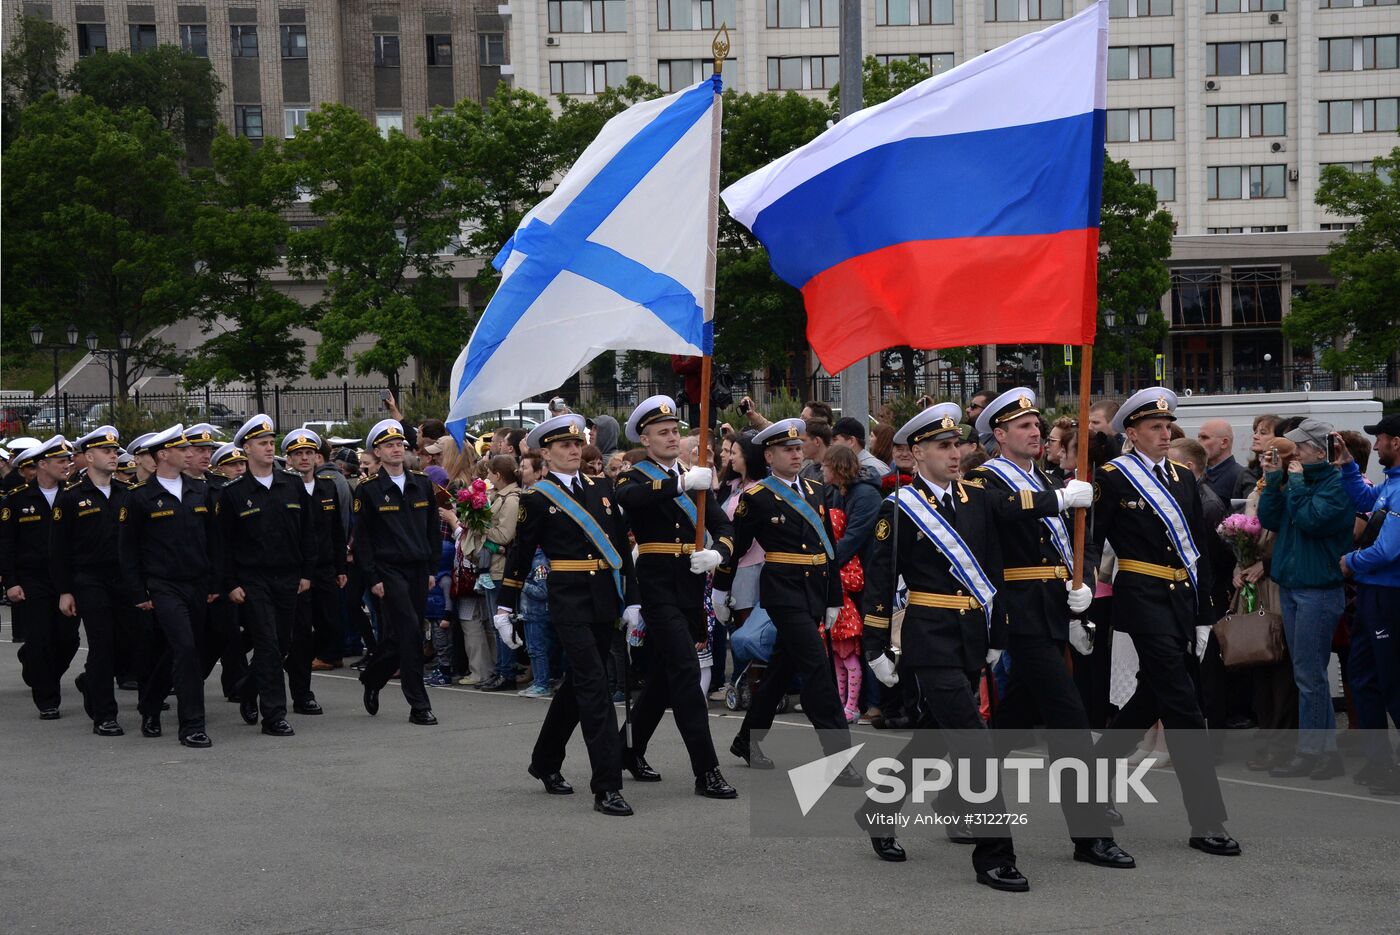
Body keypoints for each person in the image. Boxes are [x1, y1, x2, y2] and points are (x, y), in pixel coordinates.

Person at [963, 389, 1135, 870]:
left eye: (1037, 425)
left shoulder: (1044, 477)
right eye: (1022, 426)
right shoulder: (985, 478)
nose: (1035, 432)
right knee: (1069, 718)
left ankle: (959, 799)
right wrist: (1055, 498)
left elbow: (1067, 545)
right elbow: (999, 511)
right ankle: (1089, 835)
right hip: (1016, 611)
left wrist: (1075, 592)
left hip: (1052, 608)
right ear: (998, 435)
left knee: (1014, 717)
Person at [861, 404, 1031, 887]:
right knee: (973, 740)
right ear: (917, 453)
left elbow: (993, 570)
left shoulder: (976, 499)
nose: (956, 454)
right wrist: (876, 646)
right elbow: (880, 580)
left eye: (958, 444)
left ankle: (879, 806)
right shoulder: (898, 507)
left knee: (933, 739)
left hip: (972, 634)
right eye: (943, 446)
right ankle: (995, 855)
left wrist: (997, 635)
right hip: (929, 636)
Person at [1089, 388, 1239, 857]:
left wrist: (1203, 615)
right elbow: (1092, 542)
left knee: (1147, 699)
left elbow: (1198, 547)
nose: (1164, 433)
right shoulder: (1113, 478)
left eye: (1167, 426)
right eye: (1154, 427)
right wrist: (1081, 595)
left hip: (1182, 599)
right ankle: (1206, 820)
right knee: (1183, 704)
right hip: (1142, 597)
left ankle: (1090, 777)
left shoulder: (1182, 478)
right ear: (1131, 433)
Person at [497, 413, 639, 816]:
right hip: (569, 601)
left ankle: (544, 761)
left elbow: (619, 548)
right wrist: (506, 606)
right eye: (564, 445)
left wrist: (633, 599)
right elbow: (520, 555)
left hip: (605, 598)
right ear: (546, 452)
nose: (574, 450)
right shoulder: (537, 498)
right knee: (595, 687)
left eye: (577, 444)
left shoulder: (602, 488)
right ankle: (607, 787)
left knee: (578, 686)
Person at [712, 419, 861, 783]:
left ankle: (747, 739)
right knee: (817, 668)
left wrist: (833, 596)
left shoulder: (815, 490)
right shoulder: (757, 497)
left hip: (814, 589)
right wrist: (720, 589)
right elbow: (738, 546)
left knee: (781, 669)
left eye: (798, 448)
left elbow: (827, 547)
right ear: (769, 455)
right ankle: (837, 756)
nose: (796, 454)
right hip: (782, 590)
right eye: (787, 450)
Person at [613, 395, 738, 800]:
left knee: (667, 680)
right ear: (646, 441)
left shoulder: (694, 476)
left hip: (689, 586)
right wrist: (682, 484)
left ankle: (626, 749)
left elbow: (722, 524)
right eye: (662, 432)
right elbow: (632, 500)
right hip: (656, 587)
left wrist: (718, 552)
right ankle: (707, 770)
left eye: (674, 431)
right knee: (686, 673)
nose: (671, 437)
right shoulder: (635, 476)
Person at [1257, 418, 1355, 779]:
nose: (1292, 453)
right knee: (1306, 672)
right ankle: (1322, 751)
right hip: (1296, 585)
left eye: (1299, 448)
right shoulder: (1298, 481)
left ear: (1318, 451)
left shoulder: (1335, 485)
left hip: (1318, 588)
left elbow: (1312, 520)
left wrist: (1294, 483)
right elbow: (1271, 518)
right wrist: (1273, 481)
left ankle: (1314, 751)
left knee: (1309, 674)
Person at [119, 425, 218, 748]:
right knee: (185, 648)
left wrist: (215, 581)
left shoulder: (199, 490)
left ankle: (150, 703)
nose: (191, 453)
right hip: (163, 585)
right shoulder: (139, 497)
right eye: (183, 449)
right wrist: (138, 592)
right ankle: (192, 725)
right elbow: (128, 550)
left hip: (198, 583)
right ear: (163, 454)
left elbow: (213, 541)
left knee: (182, 650)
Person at [218, 416, 314, 737]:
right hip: (254, 579)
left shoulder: (292, 484)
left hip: (289, 576)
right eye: (262, 443)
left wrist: (307, 573)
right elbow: (223, 544)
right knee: (268, 645)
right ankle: (274, 715)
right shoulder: (233, 492)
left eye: (272, 442)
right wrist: (230, 584)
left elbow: (308, 533)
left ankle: (248, 688)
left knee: (283, 642)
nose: (270, 447)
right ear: (246, 448)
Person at [353, 419, 441, 726]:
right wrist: (372, 577)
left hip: (418, 567)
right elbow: (362, 538)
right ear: (377, 451)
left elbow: (432, 530)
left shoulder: (422, 483)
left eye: (399, 445)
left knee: (401, 635)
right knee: (411, 633)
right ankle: (419, 704)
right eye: (388, 445)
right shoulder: (368, 490)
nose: (395, 449)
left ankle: (372, 677)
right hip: (388, 568)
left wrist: (431, 568)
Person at [1336, 413, 1400, 795]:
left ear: (1397, 443)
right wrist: (1346, 467)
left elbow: (1389, 549)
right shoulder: (1391, 483)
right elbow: (1365, 499)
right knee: (1364, 677)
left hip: (1388, 595)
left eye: (1382, 439)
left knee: (1390, 681)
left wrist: (1350, 562)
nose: (1375, 446)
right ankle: (1380, 765)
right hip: (1374, 594)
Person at [51, 427, 130, 736]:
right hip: (88, 580)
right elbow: (57, 550)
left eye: (115, 451)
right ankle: (105, 715)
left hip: (123, 580)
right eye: (107, 451)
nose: (114, 455)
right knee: (102, 643)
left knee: (131, 641)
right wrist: (64, 591)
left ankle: (90, 682)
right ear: (89, 456)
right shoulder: (70, 498)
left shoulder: (126, 493)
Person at [2, 436, 78, 718]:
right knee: (41, 638)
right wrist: (10, 582)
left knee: (68, 639)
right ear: (42, 464)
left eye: (68, 460)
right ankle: (48, 699)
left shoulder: (72, 495)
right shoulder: (18, 499)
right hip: (33, 580)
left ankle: (37, 669)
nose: (67, 465)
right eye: (60, 461)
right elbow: (7, 544)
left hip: (67, 580)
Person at [281, 429, 347, 716]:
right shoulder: (283, 489)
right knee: (300, 636)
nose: (305, 458)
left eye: (309, 453)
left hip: (324, 570)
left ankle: (293, 662)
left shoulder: (327, 487)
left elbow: (336, 531)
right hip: (296, 574)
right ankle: (302, 693)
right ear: (290, 459)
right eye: (298, 454)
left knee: (332, 626)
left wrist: (341, 567)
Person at [1197, 419, 1250, 504]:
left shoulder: (1240, 476)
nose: (1198, 443)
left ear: (1224, 443)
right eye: (1199, 437)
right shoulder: (1197, 474)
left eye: (1204, 438)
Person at [831, 416, 892, 481]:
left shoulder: (877, 468)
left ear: (851, 441)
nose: (831, 444)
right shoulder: (849, 466)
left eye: (835, 439)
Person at [799, 419, 832, 483]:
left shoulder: (833, 473)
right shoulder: (807, 470)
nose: (799, 446)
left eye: (803, 441)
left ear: (817, 441)